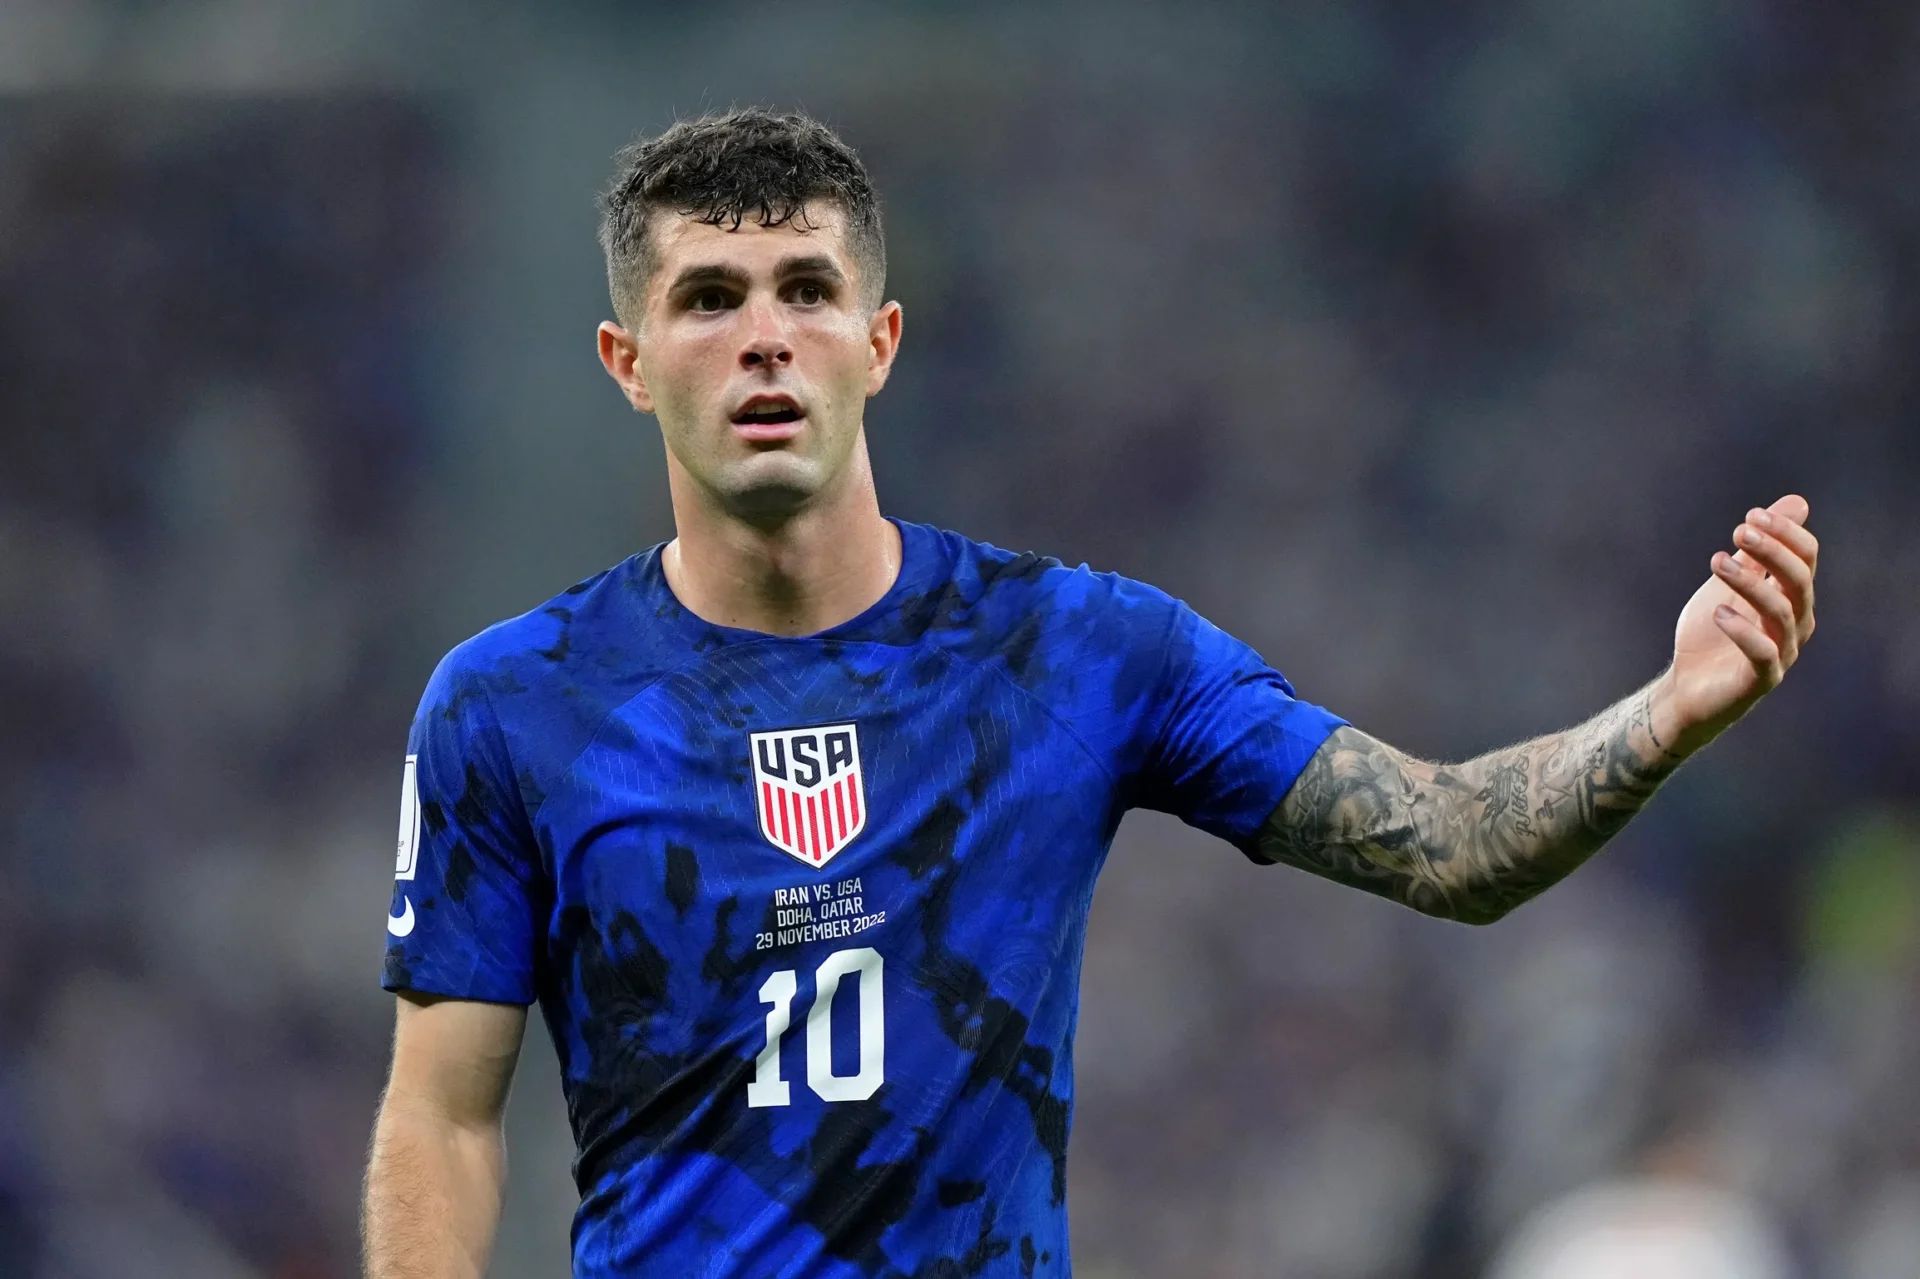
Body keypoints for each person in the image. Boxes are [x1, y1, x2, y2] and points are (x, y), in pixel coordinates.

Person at [359, 109, 1820, 1279]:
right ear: (628, 361)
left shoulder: (1077, 651)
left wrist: (1670, 709)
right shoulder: (510, 706)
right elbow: (444, 1112)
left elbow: (1446, 842)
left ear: (880, 344)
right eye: (709, 298)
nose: (765, 336)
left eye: (810, 290)